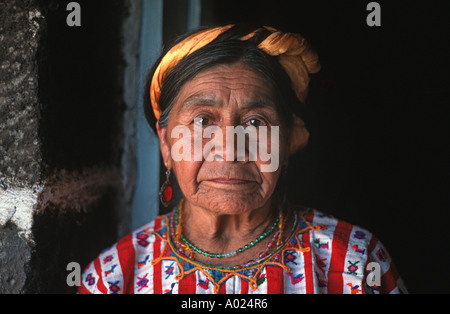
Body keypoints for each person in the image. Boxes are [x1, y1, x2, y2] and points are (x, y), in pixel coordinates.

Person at [78, 24, 407, 294]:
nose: (230, 148)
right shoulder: (113, 279)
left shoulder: (357, 261)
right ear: (167, 145)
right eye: (203, 120)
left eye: (255, 122)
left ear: (286, 143)